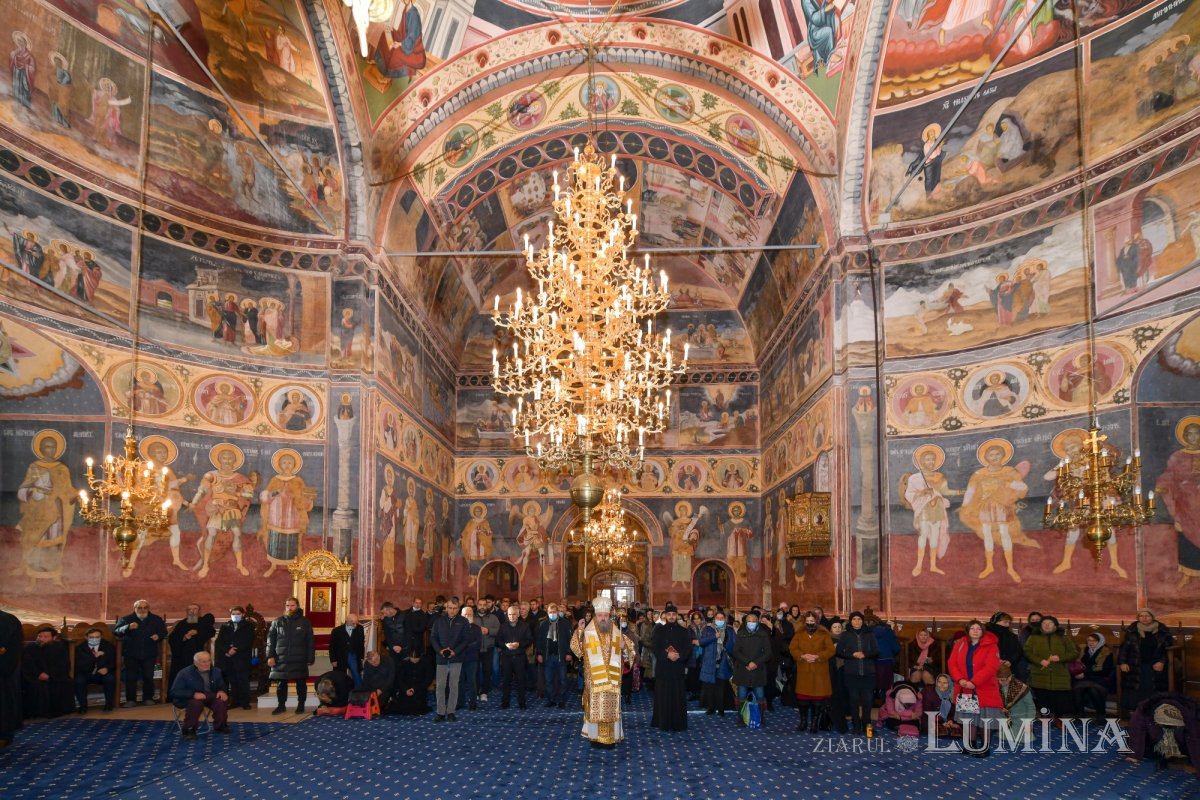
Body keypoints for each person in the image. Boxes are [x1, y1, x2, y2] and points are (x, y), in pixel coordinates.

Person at [570, 595, 637, 748]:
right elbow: (576, 648)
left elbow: (631, 650)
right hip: (594, 680)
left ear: (609, 616)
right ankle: (595, 738)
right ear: (595, 615)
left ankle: (611, 739)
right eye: (600, 615)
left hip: (612, 681)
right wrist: (579, 630)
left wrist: (624, 647)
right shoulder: (588, 631)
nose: (603, 618)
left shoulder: (616, 631)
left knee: (611, 710)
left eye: (605, 615)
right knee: (595, 708)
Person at [948, 620, 1002, 754]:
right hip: (965, 687)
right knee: (968, 719)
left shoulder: (991, 646)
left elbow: (991, 667)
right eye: (972, 628)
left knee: (985, 719)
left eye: (979, 628)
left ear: (983, 631)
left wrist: (974, 682)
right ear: (968, 630)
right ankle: (969, 745)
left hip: (984, 687)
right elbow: (952, 663)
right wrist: (960, 679)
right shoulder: (960, 644)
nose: (976, 630)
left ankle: (984, 748)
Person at [1022, 615, 1077, 720]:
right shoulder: (1033, 637)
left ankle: (1058, 718)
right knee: (1043, 698)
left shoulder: (1063, 638)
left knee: (1059, 699)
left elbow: (1074, 653)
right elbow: (1026, 652)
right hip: (1040, 673)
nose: (1047, 625)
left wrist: (1060, 658)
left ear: (1055, 626)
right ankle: (1044, 717)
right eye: (1044, 623)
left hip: (1059, 673)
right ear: (1040, 626)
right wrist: (1040, 661)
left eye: (1050, 623)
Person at [1119, 608, 1174, 712]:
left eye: (1147, 616)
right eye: (1141, 616)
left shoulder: (1162, 631)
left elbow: (1167, 650)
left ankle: (1152, 714)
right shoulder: (1132, 630)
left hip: (1154, 666)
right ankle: (1136, 716)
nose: (1144, 618)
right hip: (1135, 666)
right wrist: (1122, 662)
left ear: (1152, 617)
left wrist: (1162, 661)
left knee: (1152, 691)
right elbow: (1124, 648)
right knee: (1135, 691)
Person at [114, 600, 167, 707]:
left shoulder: (156, 619)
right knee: (131, 677)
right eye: (139, 608)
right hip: (131, 653)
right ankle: (130, 700)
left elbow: (164, 632)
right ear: (135, 609)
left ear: (148, 608)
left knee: (148, 676)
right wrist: (127, 627)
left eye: (145, 607)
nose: (142, 610)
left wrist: (158, 636)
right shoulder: (126, 619)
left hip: (149, 653)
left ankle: (148, 698)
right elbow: (116, 631)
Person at [790, 610, 836, 733]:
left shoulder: (824, 633)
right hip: (804, 669)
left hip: (819, 670)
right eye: (808, 621)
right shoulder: (799, 633)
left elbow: (830, 650)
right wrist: (802, 656)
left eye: (812, 621)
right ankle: (803, 721)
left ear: (817, 621)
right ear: (804, 622)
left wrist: (818, 656)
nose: (810, 623)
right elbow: (792, 648)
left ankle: (814, 723)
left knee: (817, 701)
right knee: (803, 700)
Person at [266, 597, 315, 715]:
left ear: (297, 606)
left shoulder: (305, 622)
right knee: (281, 684)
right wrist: (270, 656)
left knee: (301, 683)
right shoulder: (277, 621)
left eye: (292, 605)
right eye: (287, 605)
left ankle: (301, 705)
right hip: (281, 658)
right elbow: (270, 641)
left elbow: (310, 641)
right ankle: (281, 705)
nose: (290, 608)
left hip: (299, 658)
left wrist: (310, 658)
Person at [836, 611, 878, 734]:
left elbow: (876, 651)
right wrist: (852, 655)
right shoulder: (845, 635)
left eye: (859, 619)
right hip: (851, 673)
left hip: (868, 673)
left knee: (868, 701)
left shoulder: (870, 634)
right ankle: (856, 726)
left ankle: (867, 725)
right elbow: (838, 652)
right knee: (853, 700)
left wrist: (865, 654)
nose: (857, 621)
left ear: (862, 621)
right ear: (850, 621)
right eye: (854, 619)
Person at [169, 651, 230, 738]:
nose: (207, 664)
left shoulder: (216, 671)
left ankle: (220, 725)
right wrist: (193, 694)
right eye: (203, 661)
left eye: (208, 661)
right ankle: (188, 729)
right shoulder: (184, 673)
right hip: (187, 698)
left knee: (221, 699)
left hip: (207, 696)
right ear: (195, 663)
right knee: (196, 704)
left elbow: (222, 685)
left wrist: (222, 691)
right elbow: (174, 692)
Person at [651, 602, 691, 731]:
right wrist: (666, 655)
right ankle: (662, 722)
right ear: (665, 616)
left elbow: (688, 648)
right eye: (669, 614)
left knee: (677, 697)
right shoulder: (658, 630)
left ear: (677, 616)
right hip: (663, 668)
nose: (672, 617)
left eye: (674, 614)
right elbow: (655, 647)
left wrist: (679, 655)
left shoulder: (684, 631)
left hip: (677, 668)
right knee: (663, 697)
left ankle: (677, 723)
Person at [430, 597, 469, 722]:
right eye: (450, 608)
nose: (452, 611)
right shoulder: (438, 621)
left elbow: (465, 640)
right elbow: (433, 638)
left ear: (458, 609)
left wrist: (455, 651)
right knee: (440, 686)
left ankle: (451, 711)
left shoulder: (463, 621)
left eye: (455, 608)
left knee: (453, 685)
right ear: (446, 608)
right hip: (441, 658)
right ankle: (440, 712)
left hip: (456, 657)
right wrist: (440, 650)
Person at [731, 610, 771, 726]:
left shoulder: (763, 634)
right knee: (741, 695)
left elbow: (768, 653)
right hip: (743, 669)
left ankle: (760, 717)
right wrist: (748, 662)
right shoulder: (741, 633)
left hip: (758, 669)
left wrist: (755, 663)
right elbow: (736, 651)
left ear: (757, 622)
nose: (751, 623)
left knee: (760, 695)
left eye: (753, 621)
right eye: (749, 621)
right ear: (746, 622)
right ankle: (741, 718)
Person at [21, 627, 72, 719]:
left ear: (54, 638)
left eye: (46, 636)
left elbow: (64, 664)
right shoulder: (31, 648)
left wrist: (50, 675)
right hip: (35, 676)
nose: (42, 639)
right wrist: (39, 673)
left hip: (55, 676)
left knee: (63, 683)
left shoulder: (60, 648)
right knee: (35, 685)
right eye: (40, 636)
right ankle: (36, 713)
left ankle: (56, 712)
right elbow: (28, 664)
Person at [214, 606, 255, 710]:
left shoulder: (248, 626)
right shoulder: (225, 626)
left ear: (243, 614)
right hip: (228, 658)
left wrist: (234, 650)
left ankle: (245, 702)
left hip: (242, 657)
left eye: (238, 614)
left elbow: (248, 641)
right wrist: (227, 650)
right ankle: (235, 701)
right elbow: (219, 641)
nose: (235, 616)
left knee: (243, 680)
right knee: (232, 680)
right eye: (233, 614)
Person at [698, 611, 737, 716]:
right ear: (714, 619)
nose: (719, 620)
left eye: (721, 618)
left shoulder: (730, 630)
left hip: (724, 662)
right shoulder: (708, 629)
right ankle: (711, 708)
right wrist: (714, 637)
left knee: (721, 686)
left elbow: (734, 646)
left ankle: (721, 708)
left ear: (725, 619)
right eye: (718, 618)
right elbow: (701, 642)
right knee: (710, 686)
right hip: (710, 661)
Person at [168, 604, 215, 689]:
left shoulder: (203, 622)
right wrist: (184, 637)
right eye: (189, 609)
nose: (192, 611)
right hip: (181, 656)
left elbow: (211, 632)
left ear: (199, 611)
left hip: (198, 654)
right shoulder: (182, 623)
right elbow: (172, 638)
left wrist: (197, 632)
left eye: (195, 609)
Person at [538, 602, 573, 709]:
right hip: (548, 656)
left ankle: (562, 700)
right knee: (548, 680)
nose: (552, 614)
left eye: (554, 612)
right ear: (547, 613)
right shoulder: (543, 624)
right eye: (550, 612)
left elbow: (570, 640)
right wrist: (539, 653)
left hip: (561, 656)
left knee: (563, 679)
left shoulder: (565, 623)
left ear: (558, 612)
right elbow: (539, 640)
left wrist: (568, 653)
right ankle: (551, 699)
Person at [1073, 632, 1115, 721]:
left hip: (1100, 679)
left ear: (1100, 642)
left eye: (1094, 641)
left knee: (1093, 690)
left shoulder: (1106, 653)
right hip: (1084, 678)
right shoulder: (1083, 650)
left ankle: (1101, 714)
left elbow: (1105, 671)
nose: (1090, 643)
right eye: (1089, 640)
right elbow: (1077, 664)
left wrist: (1085, 674)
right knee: (1077, 689)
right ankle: (1080, 714)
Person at [497, 604, 532, 710]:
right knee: (506, 681)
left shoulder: (525, 626)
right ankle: (505, 703)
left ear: (518, 615)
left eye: (513, 614)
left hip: (519, 657)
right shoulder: (503, 626)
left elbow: (529, 639)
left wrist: (519, 644)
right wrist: (505, 645)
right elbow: (497, 641)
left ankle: (522, 703)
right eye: (509, 614)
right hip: (506, 657)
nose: (511, 616)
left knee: (521, 681)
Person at [74, 629, 115, 713]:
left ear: (101, 637)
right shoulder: (80, 648)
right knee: (79, 681)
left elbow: (115, 661)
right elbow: (79, 665)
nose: (94, 639)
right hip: (86, 673)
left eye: (97, 637)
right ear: (86, 637)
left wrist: (107, 668)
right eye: (91, 637)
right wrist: (94, 657)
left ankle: (109, 704)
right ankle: (83, 707)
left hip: (102, 673)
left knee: (110, 679)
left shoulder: (108, 646)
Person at [867, 611, 900, 697]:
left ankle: (873, 699)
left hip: (871, 662)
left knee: (872, 682)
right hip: (886, 660)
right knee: (886, 684)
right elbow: (896, 648)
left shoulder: (866, 633)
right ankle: (884, 701)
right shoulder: (888, 631)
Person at [391, 649, 432, 716]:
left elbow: (427, 680)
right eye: (412, 659)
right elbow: (400, 679)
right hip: (406, 688)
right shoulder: (404, 663)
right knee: (402, 707)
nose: (414, 662)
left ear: (420, 657)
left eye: (416, 660)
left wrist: (415, 689)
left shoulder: (426, 663)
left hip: (419, 688)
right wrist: (405, 689)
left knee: (418, 708)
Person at [0, 608, 20, 748]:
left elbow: (8, 648)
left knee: (3, 704)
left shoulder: (7, 620)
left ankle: (4, 736)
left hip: (3, 672)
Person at [329, 614, 365, 688]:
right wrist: (333, 660)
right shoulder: (336, 631)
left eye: (356, 623)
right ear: (347, 621)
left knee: (355, 671)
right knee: (340, 676)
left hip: (354, 655)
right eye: (353, 623)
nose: (355, 625)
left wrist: (361, 656)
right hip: (340, 657)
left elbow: (361, 643)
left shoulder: (360, 628)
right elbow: (332, 647)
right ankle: (344, 691)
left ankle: (359, 690)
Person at [457, 604, 482, 712]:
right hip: (458, 659)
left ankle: (472, 703)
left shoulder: (477, 628)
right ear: (461, 615)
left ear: (473, 615)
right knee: (459, 682)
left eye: (469, 614)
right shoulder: (456, 627)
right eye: (465, 614)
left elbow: (478, 643)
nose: (467, 616)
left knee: (472, 682)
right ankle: (460, 702)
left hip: (472, 659)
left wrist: (463, 646)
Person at [476, 597, 500, 703]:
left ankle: (484, 692)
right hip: (475, 649)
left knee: (487, 671)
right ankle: (476, 692)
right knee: (475, 671)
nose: (482, 607)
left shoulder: (493, 618)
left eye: (484, 605)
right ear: (477, 606)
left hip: (489, 648)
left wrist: (489, 631)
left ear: (487, 605)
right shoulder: (472, 617)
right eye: (480, 605)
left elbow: (499, 631)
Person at [998, 664, 1037, 729]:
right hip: (1002, 718)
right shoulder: (995, 685)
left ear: (1010, 677)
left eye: (1002, 680)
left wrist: (1028, 723)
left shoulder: (1022, 688)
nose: (1000, 682)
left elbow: (1031, 707)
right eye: (998, 680)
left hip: (1020, 718)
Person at [986, 612, 1024, 679]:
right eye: (1005, 622)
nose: (1007, 625)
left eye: (1009, 623)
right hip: (989, 669)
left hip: (1008, 670)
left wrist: (1010, 661)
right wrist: (996, 660)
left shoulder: (1011, 636)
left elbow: (1018, 651)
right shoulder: (985, 635)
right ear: (996, 622)